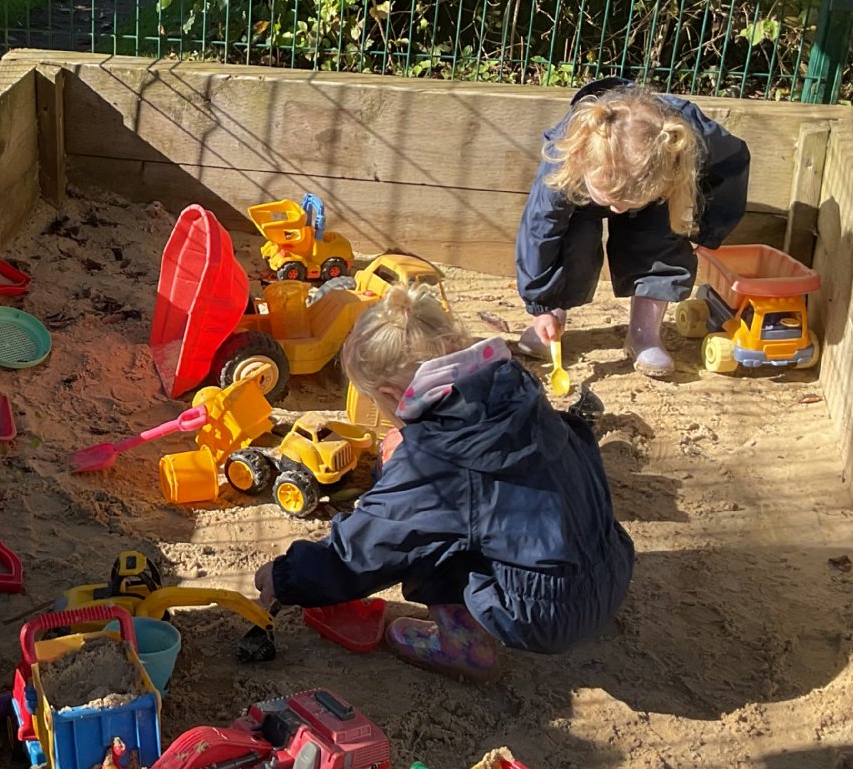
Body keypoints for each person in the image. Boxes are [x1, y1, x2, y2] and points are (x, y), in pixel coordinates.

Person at [253, 285, 634, 680]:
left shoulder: (437, 460)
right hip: (610, 566)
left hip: (547, 614)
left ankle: (461, 645)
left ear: (390, 394)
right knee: (458, 506)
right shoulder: (512, 387)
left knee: (423, 536)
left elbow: (368, 549)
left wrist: (286, 576)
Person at [516, 79, 750, 378]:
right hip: (582, 187)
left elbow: (732, 164)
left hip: (656, 190)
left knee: (658, 241)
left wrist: (710, 228)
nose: (617, 211)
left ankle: (644, 334)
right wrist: (540, 304)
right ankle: (552, 320)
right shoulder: (567, 157)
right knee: (573, 240)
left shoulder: (689, 139)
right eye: (612, 201)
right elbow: (540, 230)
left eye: (625, 203)